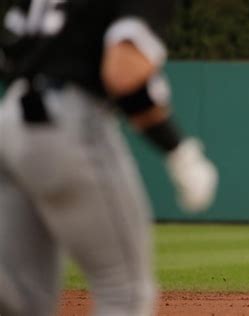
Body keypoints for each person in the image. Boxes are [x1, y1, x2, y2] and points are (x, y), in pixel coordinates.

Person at [0, 1, 217, 315]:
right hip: (67, 124)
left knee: (20, 300)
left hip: (9, 126)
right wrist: (178, 151)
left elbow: (11, 53)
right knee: (124, 294)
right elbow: (123, 72)